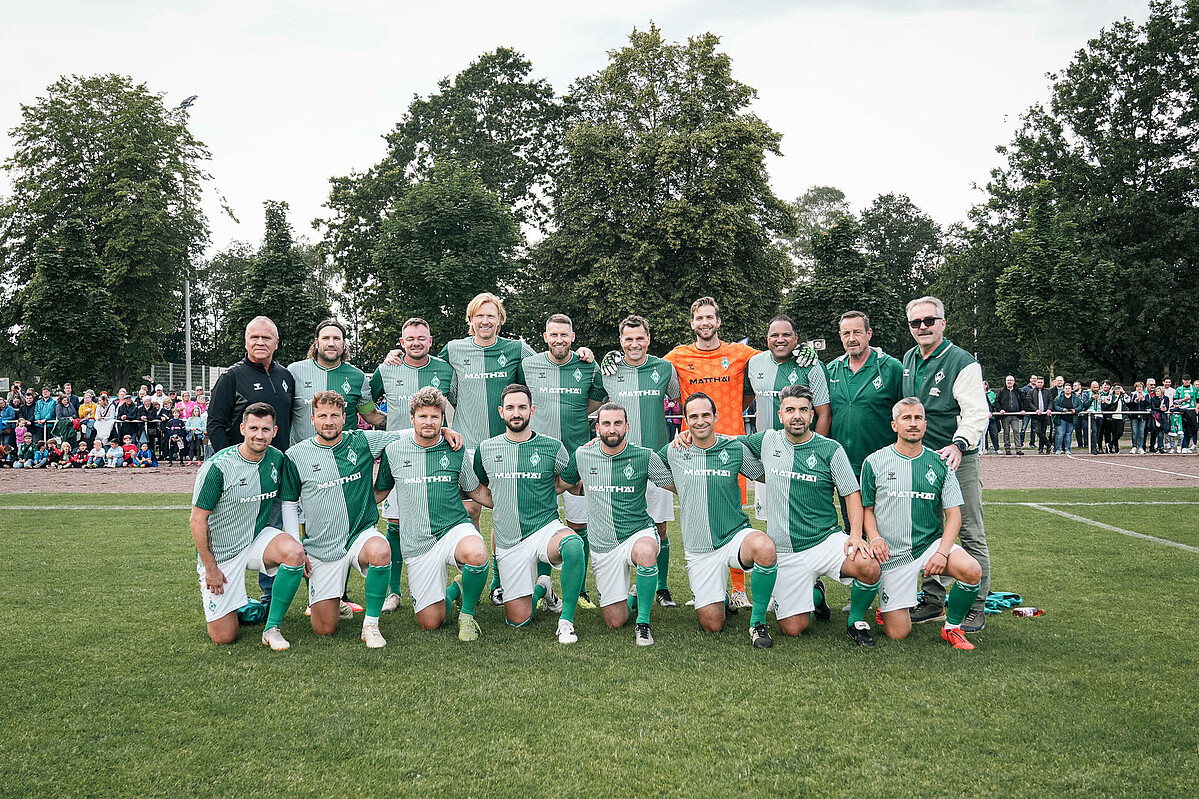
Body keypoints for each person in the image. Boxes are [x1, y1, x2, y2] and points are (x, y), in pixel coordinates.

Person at [738, 385, 881, 646]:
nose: (797, 416)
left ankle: (856, 622)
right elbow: (726, 442)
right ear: (780, 415)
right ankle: (815, 595)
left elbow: (851, 494)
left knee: (868, 565)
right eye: (790, 410)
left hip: (825, 541)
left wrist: (857, 536)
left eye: (803, 410)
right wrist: (690, 436)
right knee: (793, 629)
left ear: (812, 415)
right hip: (785, 551)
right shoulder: (767, 440)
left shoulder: (830, 449)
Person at [279, 391, 420, 648]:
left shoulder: (362, 441)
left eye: (335, 415)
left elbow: (402, 435)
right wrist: (296, 546)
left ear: (345, 418)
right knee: (324, 629)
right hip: (322, 546)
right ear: (312, 419)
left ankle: (371, 625)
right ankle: (336, 602)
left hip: (359, 533)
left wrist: (442, 430)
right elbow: (288, 503)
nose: (329, 421)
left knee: (380, 550)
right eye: (322, 415)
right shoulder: (296, 455)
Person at [657, 392, 779, 648]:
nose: (700, 421)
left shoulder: (734, 448)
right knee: (712, 625)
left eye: (705, 415)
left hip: (735, 537)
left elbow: (764, 476)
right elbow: (647, 465)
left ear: (715, 417)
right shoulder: (674, 449)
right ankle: (720, 598)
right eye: (693, 417)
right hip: (699, 549)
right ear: (685, 421)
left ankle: (757, 623)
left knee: (764, 547)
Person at [860, 398, 983, 650]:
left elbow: (954, 516)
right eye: (906, 418)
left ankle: (952, 628)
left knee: (971, 570)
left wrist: (941, 552)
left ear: (925, 425)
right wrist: (874, 538)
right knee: (898, 634)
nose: (913, 424)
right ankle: (889, 607)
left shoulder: (940, 464)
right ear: (894, 425)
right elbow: (866, 509)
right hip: (891, 554)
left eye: (918, 418)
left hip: (929, 545)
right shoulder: (874, 461)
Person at [373, 387, 492, 642]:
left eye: (435, 417)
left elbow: (475, 491)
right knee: (430, 622)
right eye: (423, 416)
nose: (429, 422)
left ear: (442, 419)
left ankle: (467, 615)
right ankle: (457, 589)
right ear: (412, 418)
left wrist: (510, 503)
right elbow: (380, 491)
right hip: (417, 542)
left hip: (453, 528)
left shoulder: (455, 449)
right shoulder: (394, 451)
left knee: (477, 554)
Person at [901, 296, 990, 632]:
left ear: (943, 322)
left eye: (929, 321)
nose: (923, 327)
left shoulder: (962, 360)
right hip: (921, 460)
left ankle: (974, 606)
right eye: (915, 323)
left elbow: (977, 412)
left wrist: (959, 444)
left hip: (956, 459)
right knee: (928, 532)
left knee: (969, 531)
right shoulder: (908, 358)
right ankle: (933, 599)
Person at [473, 384, 587, 643]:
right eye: (510, 408)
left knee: (572, 545)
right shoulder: (486, 449)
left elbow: (564, 482)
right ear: (501, 412)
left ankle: (566, 620)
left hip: (545, 529)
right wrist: (503, 502)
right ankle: (543, 588)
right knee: (518, 620)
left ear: (531, 410)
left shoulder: (552, 446)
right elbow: (479, 487)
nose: (516, 413)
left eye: (522, 407)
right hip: (510, 540)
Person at [191, 402, 307, 649]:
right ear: (242, 428)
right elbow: (197, 519)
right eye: (253, 428)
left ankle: (272, 628)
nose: (259, 435)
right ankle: (243, 604)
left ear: (275, 431)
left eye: (266, 429)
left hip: (256, 539)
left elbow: (289, 504)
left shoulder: (277, 459)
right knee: (224, 637)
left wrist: (299, 544)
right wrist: (211, 568)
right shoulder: (218, 467)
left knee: (295, 553)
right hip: (222, 553)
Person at [742, 312, 834, 607]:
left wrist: (815, 450)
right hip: (767, 454)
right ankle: (779, 587)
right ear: (766, 339)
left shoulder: (810, 364)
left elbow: (823, 412)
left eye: (786, 335)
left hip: (801, 455)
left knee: (802, 519)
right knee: (772, 523)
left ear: (796, 339)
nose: (779, 340)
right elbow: (742, 398)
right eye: (773, 335)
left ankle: (813, 585)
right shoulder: (754, 363)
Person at [560, 402, 668, 646]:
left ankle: (643, 623)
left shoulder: (644, 456)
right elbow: (561, 485)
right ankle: (634, 594)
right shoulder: (582, 455)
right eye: (606, 423)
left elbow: (674, 482)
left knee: (646, 552)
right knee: (614, 621)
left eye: (617, 423)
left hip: (637, 533)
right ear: (597, 427)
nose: (612, 429)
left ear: (627, 426)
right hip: (603, 545)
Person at [592, 314, 681, 608]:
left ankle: (662, 586)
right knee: (623, 523)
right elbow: (590, 404)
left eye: (639, 338)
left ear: (648, 339)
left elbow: (682, 400)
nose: (634, 344)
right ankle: (624, 581)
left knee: (660, 525)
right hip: (617, 462)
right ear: (620, 341)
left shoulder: (664, 368)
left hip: (656, 459)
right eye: (628, 339)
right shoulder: (609, 371)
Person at [207, 316, 296, 608]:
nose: (260, 342)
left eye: (266, 338)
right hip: (236, 476)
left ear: (276, 343)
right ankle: (226, 591)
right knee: (231, 534)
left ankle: (269, 598)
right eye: (254, 337)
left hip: (273, 472)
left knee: (271, 531)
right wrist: (227, 464)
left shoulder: (286, 377)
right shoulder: (231, 377)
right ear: (246, 341)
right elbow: (215, 424)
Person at [371, 317, 458, 612]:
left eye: (422, 338)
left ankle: (448, 581)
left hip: (437, 454)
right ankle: (394, 592)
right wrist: (382, 425)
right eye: (410, 338)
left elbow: (454, 404)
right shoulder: (387, 368)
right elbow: (365, 402)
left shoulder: (445, 369)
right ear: (402, 342)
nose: (416, 343)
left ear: (431, 341)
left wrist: (445, 429)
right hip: (399, 457)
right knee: (394, 524)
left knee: (443, 519)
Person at [521, 313, 604, 610]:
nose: (559, 339)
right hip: (538, 457)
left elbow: (594, 401)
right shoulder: (528, 365)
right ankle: (544, 589)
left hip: (577, 455)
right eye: (553, 334)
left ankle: (579, 591)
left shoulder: (587, 365)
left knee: (579, 524)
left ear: (572, 337)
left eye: (564, 335)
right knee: (542, 524)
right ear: (545, 337)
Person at [288, 319, 384, 446]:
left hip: (344, 458)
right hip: (302, 458)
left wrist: (410, 419)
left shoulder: (357, 377)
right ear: (316, 343)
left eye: (336, 338)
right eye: (326, 338)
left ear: (344, 343)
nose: (331, 343)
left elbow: (371, 415)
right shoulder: (294, 372)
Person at [994, 375, 1024, 455]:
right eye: (1008, 380)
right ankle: (1007, 449)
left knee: (1016, 430)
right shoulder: (1002, 391)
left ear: (1014, 381)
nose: (1009, 382)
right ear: (1005, 382)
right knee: (1006, 432)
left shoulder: (1018, 391)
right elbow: (996, 401)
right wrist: (1000, 409)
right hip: (1005, 415)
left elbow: (1024, 400)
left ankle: (1018, 449)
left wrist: (1023, 409)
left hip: (1015, 415)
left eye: (1011, 380)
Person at [1053, 381, 1083, 454]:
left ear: (1071, 389)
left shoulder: (1076, 398)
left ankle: (1068, 449)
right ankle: (1058, 449)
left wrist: (1075, 410)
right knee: (1060, 434)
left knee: (1068, 434)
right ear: (1064, 389)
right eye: (1066, 388)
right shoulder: (1059, 397)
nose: (1067, 390)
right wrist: (1061, 409)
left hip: (1071, 419)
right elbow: (1055, 405)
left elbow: (1081, 406)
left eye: (1069, 388)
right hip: (1061, 419)